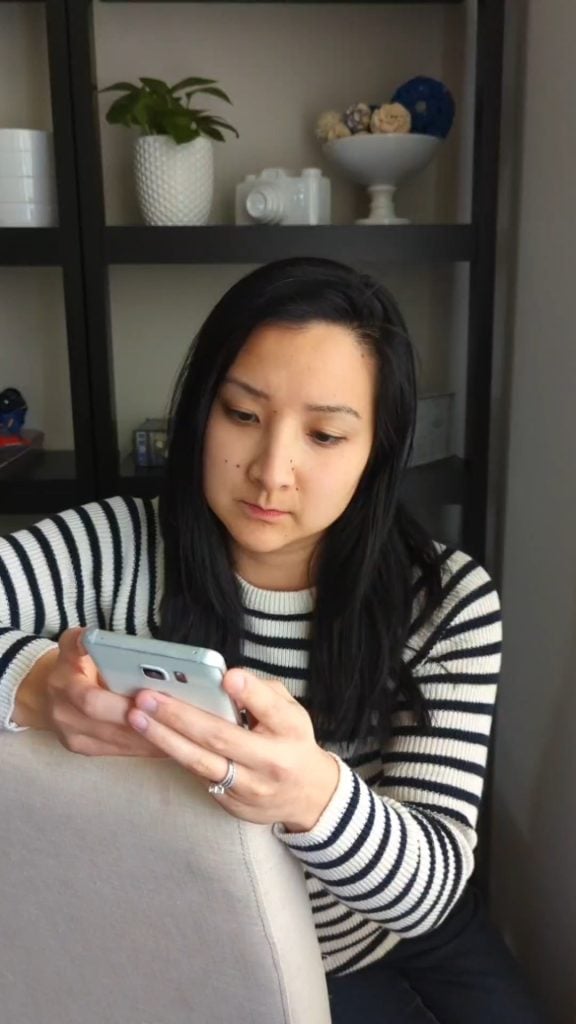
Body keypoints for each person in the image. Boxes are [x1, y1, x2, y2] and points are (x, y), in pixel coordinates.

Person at [0, 257, 543, 1023]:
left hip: (383, 936)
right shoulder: (114, 546)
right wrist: (32, 680)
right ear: (200, 410)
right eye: (243, 415)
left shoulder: (445, 600)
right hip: (188, 941)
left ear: (378, 452)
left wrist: (311, 798)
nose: (270, 472)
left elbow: (431, 884)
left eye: (324, 434)